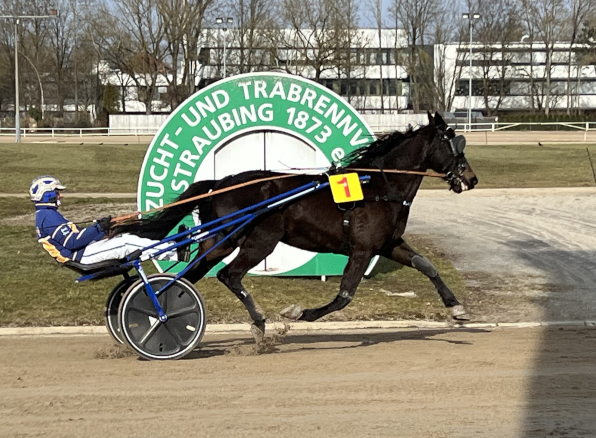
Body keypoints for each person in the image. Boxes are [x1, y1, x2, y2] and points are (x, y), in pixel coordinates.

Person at [31, 175, 178, 265]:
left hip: (82, 252)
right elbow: (73, 242)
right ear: (47, 194)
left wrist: (102, 228)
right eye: (57, 192)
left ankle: (171, 246)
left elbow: (77, 236)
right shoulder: (48, 217)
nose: (60, 196)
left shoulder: (46, 215)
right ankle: (174, 252)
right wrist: (98, 227)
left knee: (124, 237)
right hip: (81, 256)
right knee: (126, 243)